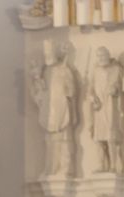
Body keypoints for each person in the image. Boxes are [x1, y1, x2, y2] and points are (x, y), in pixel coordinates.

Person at [30, 40, 78, 178]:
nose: (48, 55)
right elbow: (38, 94)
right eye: (46, 53)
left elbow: (71, 90)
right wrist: (37, 85)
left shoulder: (64, 69)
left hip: (62, 108)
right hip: (50, 110)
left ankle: (66, 168)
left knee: (64, 139)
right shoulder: (44, 71)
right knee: (50, 140)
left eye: (49, 53)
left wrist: (69, 89)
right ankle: (51, 168)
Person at [88, 46, 124, 175]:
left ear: (108, 55)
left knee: (111, 137)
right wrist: (92, 98)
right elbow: (90, 89)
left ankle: (113, 166)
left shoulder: (117, 70)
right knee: (99, 138)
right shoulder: (95, 71)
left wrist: (116, 89)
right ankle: (101, 165)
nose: (101, 58)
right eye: (98, 56)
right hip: (99, 108)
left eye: (103, 56)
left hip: (112, 107)